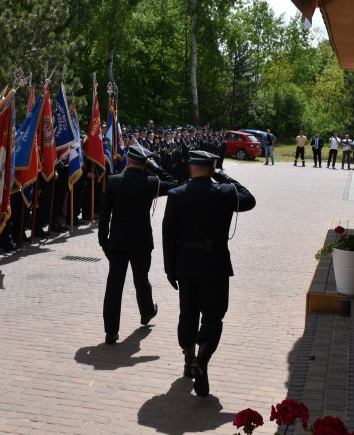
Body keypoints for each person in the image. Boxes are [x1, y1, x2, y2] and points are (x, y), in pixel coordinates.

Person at [161, 150, 255, 397]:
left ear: (190, 168)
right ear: (212, 169)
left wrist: (170, 269)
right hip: (215, 264)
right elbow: (249, 199)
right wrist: (224, 177)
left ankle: (188, 357)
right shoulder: (224, 193)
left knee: (188, 312)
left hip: (186, 264)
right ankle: (202, 358)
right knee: (213, 316)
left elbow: (168, 236)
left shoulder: (176, 195)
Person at [98, 144, 178, 344]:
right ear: (145, 163)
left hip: (116, 242)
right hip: (141, 241)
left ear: (128, 160)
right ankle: (147, 312)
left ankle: (111, 331)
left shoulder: (113, 181)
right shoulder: (150, 182)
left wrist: (104, 241)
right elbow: (173, 182)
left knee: (114, 286)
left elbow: (104, 216)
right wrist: (155, 166)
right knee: (141, 279)